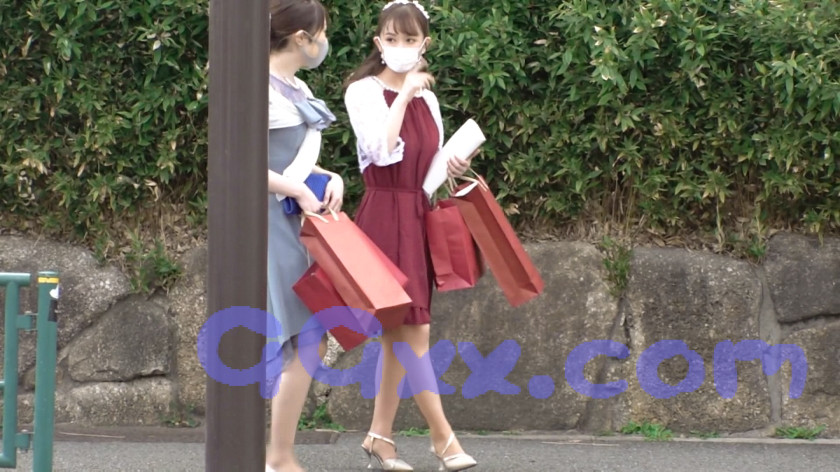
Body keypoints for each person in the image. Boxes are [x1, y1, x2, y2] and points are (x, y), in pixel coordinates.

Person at [343, 1, 478, 470]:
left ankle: (380, 437)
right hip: (383, 214)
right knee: (413, 331)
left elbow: (427, 170)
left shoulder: (430, 100)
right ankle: (445, 440)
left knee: (398, 334)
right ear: (378, 43)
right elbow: (380, 152)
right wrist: (402, 96)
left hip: (416, 213)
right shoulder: (362, 92)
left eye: (410, 39)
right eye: (391, 39)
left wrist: (454, 163)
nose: (400, 47)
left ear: (425, 44)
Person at [264, 1, 343, 471]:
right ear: (301, 38)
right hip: (273, 224)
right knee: (301, 335)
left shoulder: (298, 87)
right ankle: (279, 457)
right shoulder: (258, 87)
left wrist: (330, 177)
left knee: (310, 336)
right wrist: (296, 188)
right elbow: (241, 163)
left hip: (300, 222)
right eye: (322, 33)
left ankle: (280, 455)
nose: (324, 42)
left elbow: (293, 158)